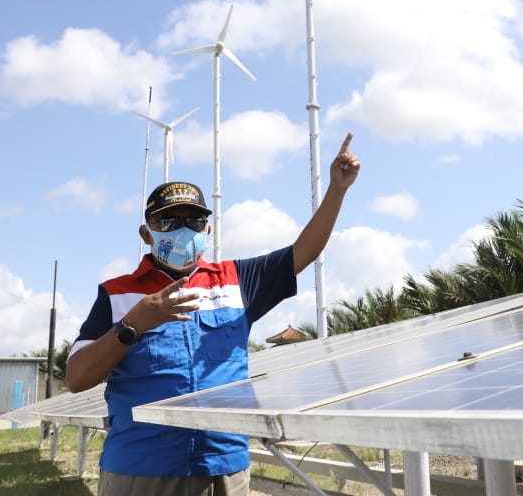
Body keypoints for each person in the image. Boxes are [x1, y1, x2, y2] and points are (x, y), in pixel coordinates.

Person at [66, 133, 361, 496]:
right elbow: (77, 378)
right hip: (138, 470)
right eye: (168, 222)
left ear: (207, 229)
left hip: (224, 469)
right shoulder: (116, 294)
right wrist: (134, 325)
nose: (183, 229)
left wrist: (337, 190)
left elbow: (304, 251)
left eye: (193, 221)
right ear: (146, 234)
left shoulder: (236, 280)